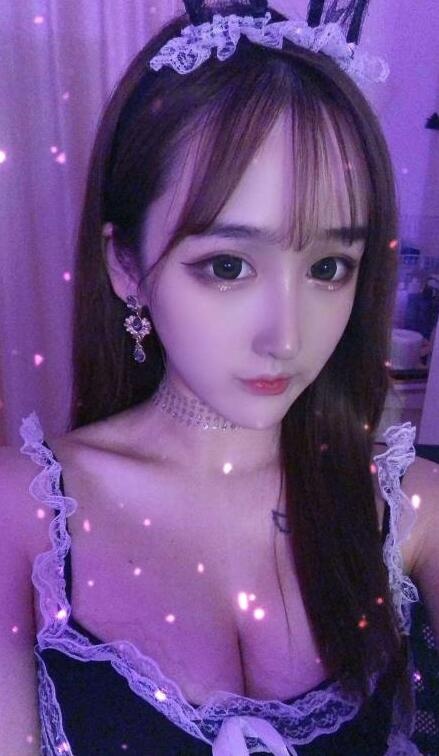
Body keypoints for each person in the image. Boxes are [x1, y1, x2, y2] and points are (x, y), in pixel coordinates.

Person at [1, 1, 438, 754]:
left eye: (328, 268)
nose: (287, 337)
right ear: (125, 265)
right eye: (229, 266)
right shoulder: (27, 515)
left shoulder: (412, 510)